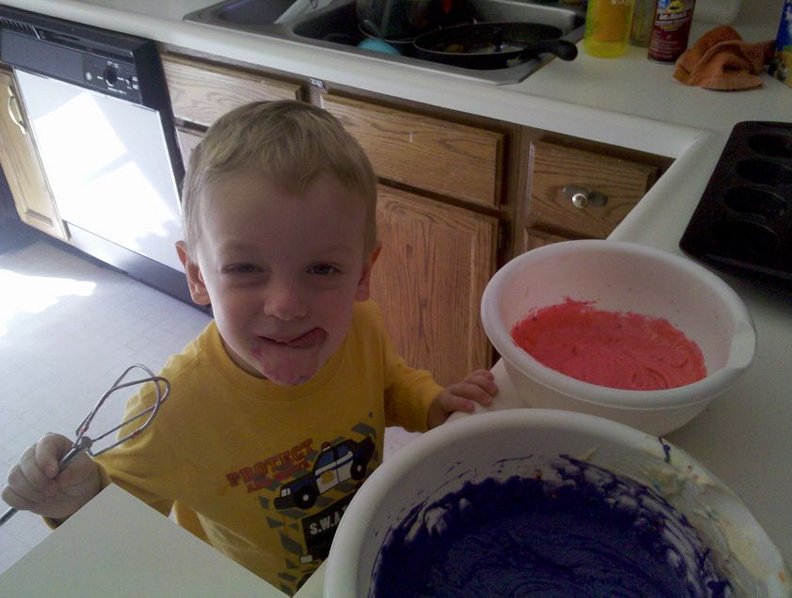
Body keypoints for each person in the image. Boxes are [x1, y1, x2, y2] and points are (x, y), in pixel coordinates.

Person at [2, 100, 496, 594]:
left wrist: (431, 403)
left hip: (364, 551)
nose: (285, 305)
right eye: (244, 269)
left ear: (363, 274)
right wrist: (78, 496)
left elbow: (391, 385)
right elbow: (117, 521)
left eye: (322, 269)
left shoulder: (361, 327)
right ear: (197, 275)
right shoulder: (175, 407)